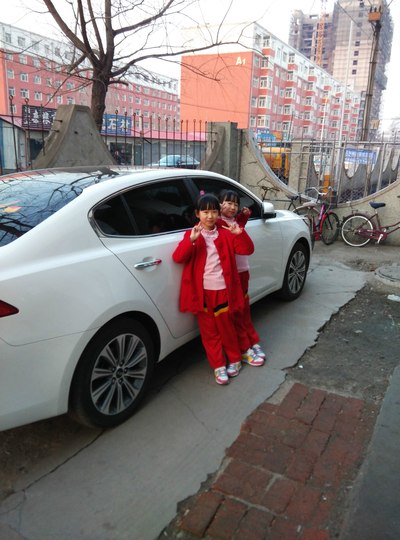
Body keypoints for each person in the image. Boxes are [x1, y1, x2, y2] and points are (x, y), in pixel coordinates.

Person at [172, 193, 254, 385]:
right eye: (205, 212)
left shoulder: (225, 233)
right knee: (209, 332)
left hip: (223, 290)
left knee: (227, 328)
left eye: (214, 212)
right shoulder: (193, 234)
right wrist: (191, 241)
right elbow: (178, 257)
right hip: (202, 294)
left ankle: (234, 359)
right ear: (197, 214)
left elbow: (247, 250)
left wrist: (239, 233)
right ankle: (218, 365)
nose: (210, 216)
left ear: (219, 213)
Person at [218, 189, 266, 366]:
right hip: (230, 274)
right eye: (228, 203)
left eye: (235, 204)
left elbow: (239, 226)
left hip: (243, 271)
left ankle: (251, 341)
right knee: (237, 312)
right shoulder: (217, 223)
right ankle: (244, 347)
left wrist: (244, 216)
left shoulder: (234, 221)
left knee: (244, 310)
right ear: (219, 204)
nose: (232, 207)